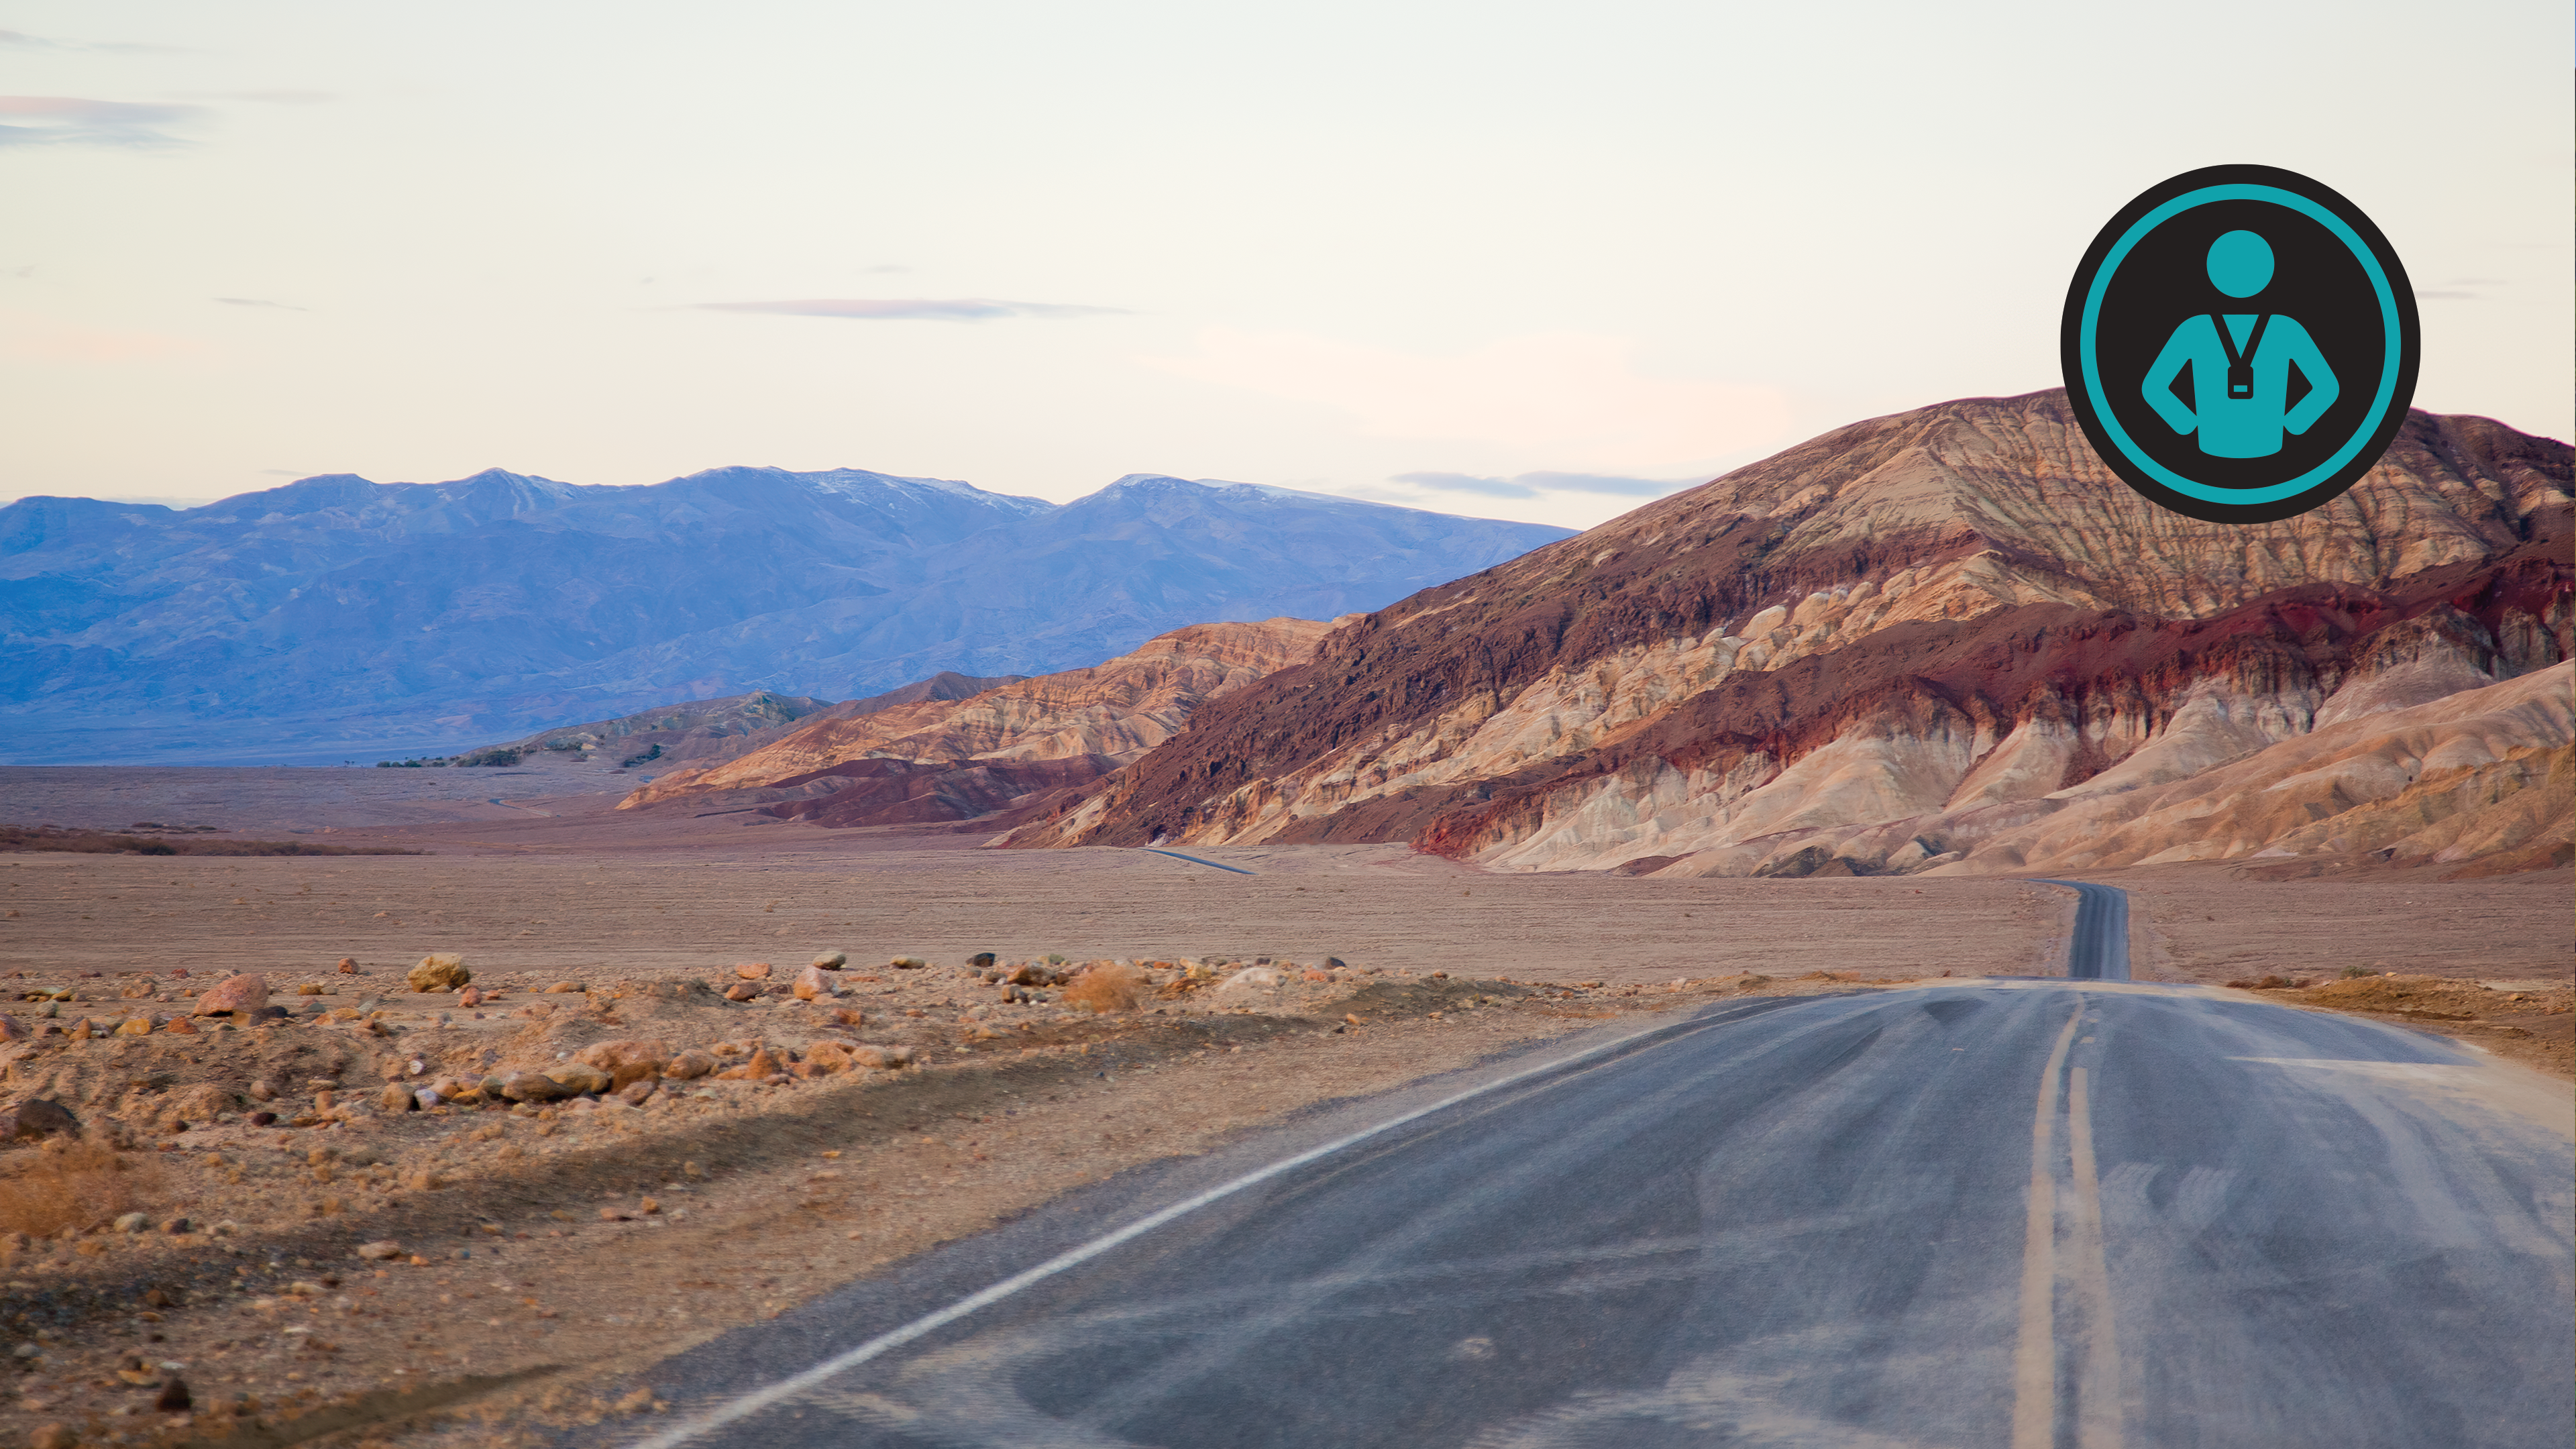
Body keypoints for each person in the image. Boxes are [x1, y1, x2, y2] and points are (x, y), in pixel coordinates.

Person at [2141, 229, 2337, 459]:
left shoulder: (2194, 329)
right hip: (2268, 441)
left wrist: (2188, 425)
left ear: (2213, 272)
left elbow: (2154, 388)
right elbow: (2327, 387)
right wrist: (2292, 425)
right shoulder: (2287, 328)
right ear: (2267, 271)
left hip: (2212, 441)